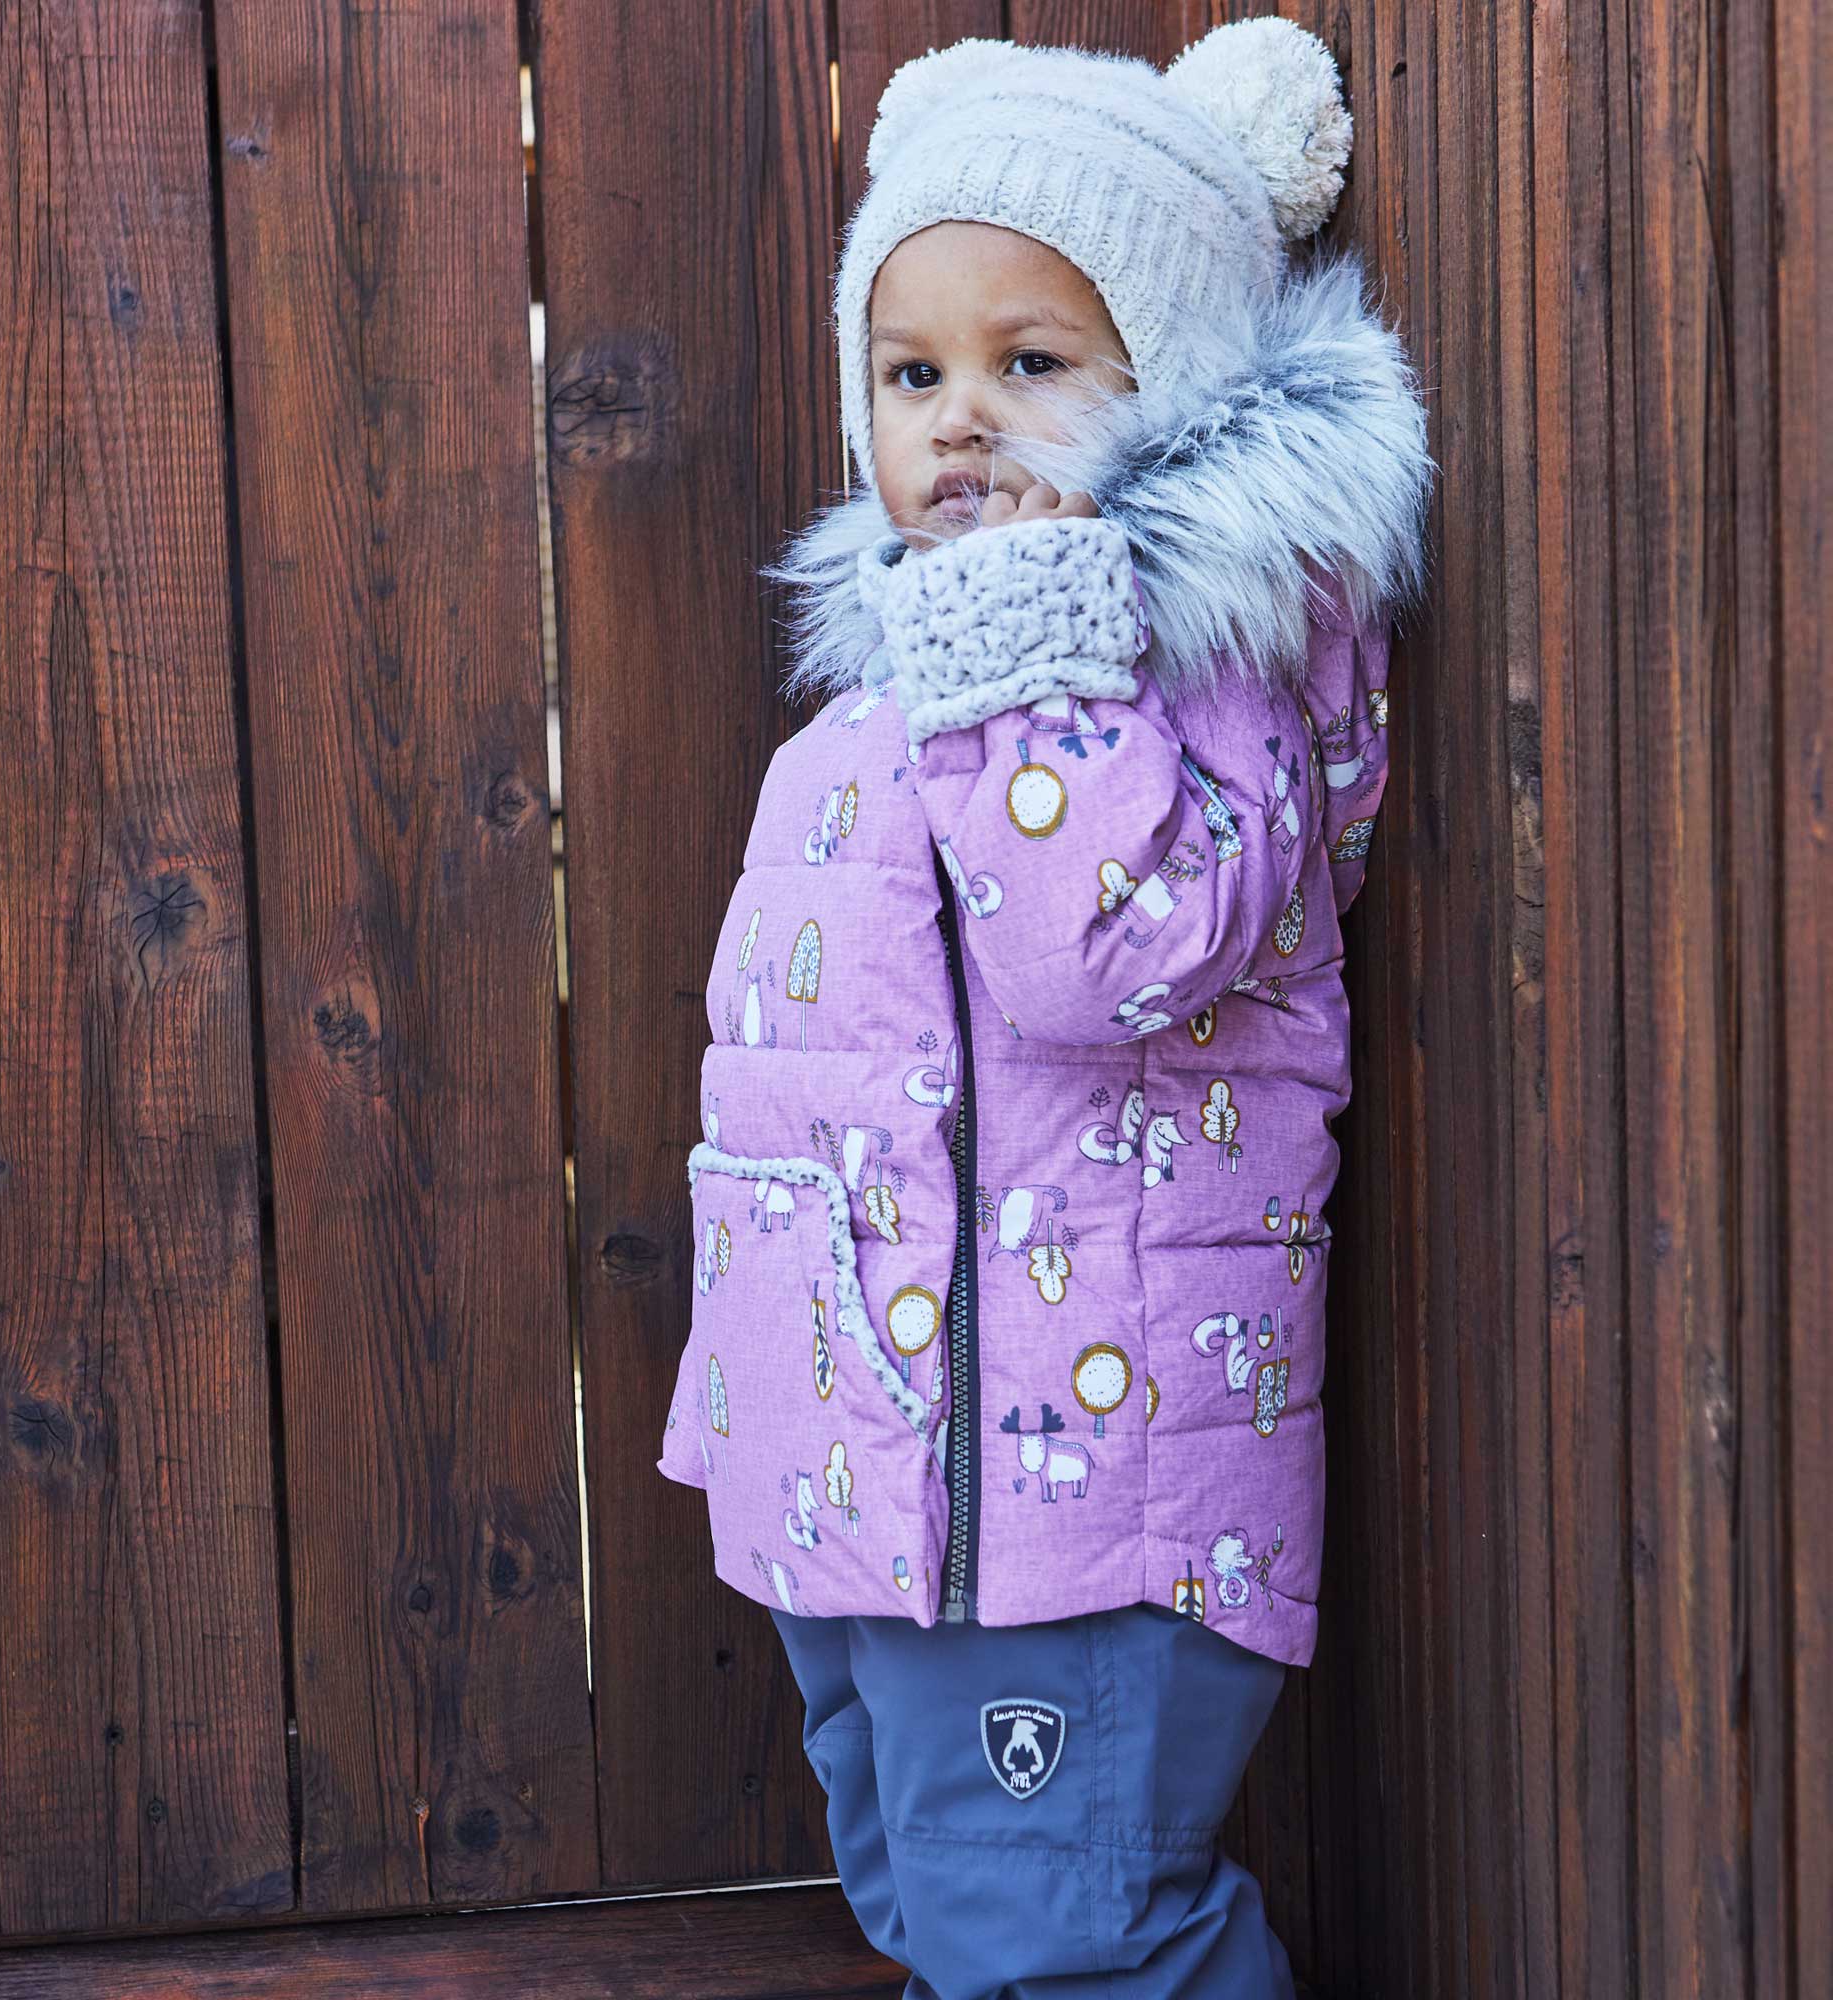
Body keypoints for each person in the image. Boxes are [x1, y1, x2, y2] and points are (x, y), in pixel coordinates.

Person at [655, 20, 1431, 1996]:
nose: (960, 424)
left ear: (1168, 388)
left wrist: (1017, 642)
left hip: (1080, 1506)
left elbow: (1099, 950)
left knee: (1077, 1942)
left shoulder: (1211, 677)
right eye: (913, 374)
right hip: (885, 1479)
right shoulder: (908, 681)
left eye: (1032, 364)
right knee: (955, 1922)